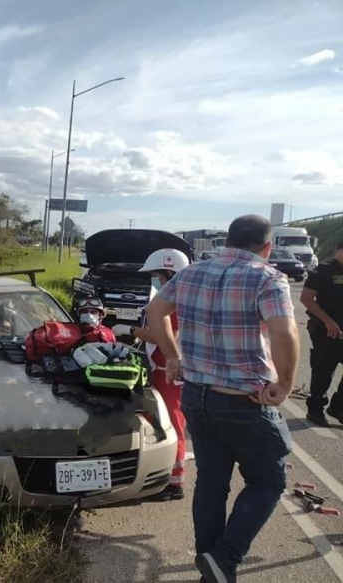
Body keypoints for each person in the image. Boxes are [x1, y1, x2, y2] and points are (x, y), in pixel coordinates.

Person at [146, 215, 299, 583]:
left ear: (228, 240)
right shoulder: (267, 278)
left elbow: (155, 312)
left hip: (196, 397)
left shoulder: (192, 273)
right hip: (242, 401)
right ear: (266, 247)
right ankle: (225, 557)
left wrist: (171, 356)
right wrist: (285, 384)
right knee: (268, 481)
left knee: (211, 483)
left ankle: (210, 562)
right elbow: (285, 335)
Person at [114, 248, 191, 501]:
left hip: (172, 372)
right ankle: (167, 474)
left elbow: (164, 336)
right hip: (165, 369)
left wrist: (130, 330)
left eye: (159, 276)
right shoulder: (179, 297)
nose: (157, 281)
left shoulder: (178, 301)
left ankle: (175, 482)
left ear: (171, 273)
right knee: (166, 420)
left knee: (173, 423)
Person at [301, 239, 343, 426]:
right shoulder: (323, 271)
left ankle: (338, 407)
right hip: (326, 329)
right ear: (338, 250)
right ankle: (315, 410)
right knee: (323, 371)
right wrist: (328, 321)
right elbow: (306, 298)